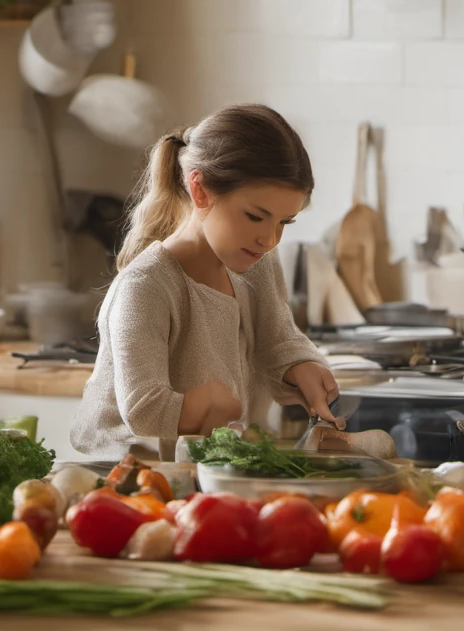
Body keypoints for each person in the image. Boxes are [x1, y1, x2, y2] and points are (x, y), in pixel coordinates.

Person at [70, 104, 339, 458]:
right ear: (200, 189)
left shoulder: (256, 262)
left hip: (206, 473)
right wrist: (204, 402)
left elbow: (277, 336)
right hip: (130, 475)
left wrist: (300, 365)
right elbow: (144, 409)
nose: (269, 239)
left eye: (283, 223)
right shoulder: (146, 286)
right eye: (255, 216)